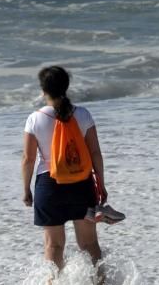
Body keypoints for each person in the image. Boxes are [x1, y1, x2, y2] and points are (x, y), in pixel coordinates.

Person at [21, 66, 123, 271]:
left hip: (49, 187)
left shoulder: (35, 118)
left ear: (43, 90)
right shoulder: (83, 114)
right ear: (66, 88)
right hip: (81, 184)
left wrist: (26, 190)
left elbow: (28, 159)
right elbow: (95, 153)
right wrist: (101, 185)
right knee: (89, 244)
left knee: (54, 246)